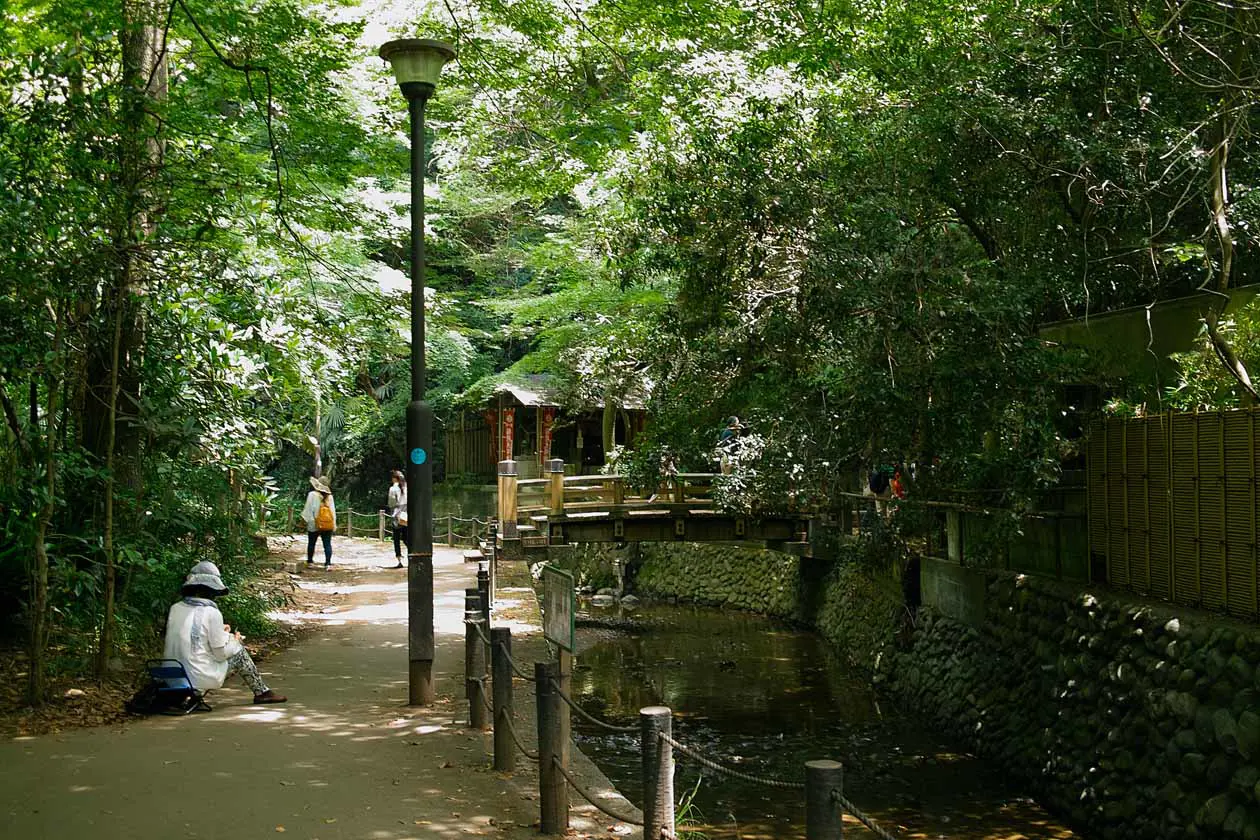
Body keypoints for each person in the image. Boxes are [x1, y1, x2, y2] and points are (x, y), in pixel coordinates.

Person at [163, 561, 287, 704]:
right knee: (239, 652)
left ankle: (262, 691)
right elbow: (220, 654)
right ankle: (262, 692)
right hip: (197, 677)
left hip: (172, 677)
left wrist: (223, 633)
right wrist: (235, 641)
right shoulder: (212, 612)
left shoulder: (175, 608)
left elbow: (193, 638)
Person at [301, 475, 336, 568]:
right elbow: (332, 512)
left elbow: (308, 509)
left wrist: (308, 520)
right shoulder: (330, 497)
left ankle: (310, 562)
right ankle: (328, 563)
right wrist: (334, 524)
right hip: (327, 523)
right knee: (327, 544)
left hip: (314, 523)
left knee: (311, 543)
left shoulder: (312, 495)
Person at [388, 469, 409, 569]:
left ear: (394, 478)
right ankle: (412, 553)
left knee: (396, 538)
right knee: (406, 537)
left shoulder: (393, 489)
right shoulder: (406, 488)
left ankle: (399, 559)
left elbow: (391, 503)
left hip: (397, 516)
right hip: (406, 515)